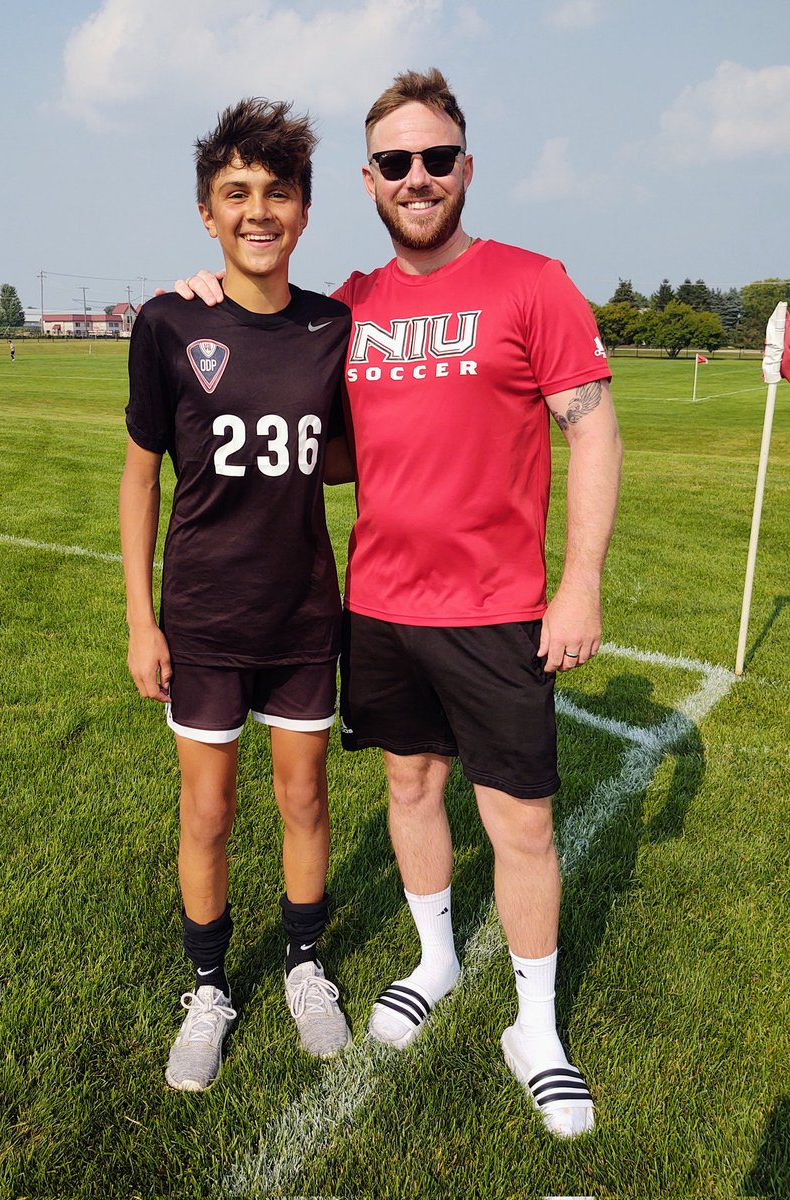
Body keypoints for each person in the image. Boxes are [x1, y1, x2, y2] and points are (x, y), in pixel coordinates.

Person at [174, 68, 622, 1138]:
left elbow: (591, 427)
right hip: (376, 606)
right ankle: (432, 961)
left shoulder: (532, 283)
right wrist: (202, 301)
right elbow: (294, 405)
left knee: (520, 822)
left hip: (498, 606)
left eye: (436, 158)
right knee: (411, 791)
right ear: (370, 181)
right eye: (395, 162)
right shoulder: (353, 307)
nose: (417, 178)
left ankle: (536, 1028)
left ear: (464, 167)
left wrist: (582, 582)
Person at [119, 97, 354, 1094]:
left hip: (303, 615)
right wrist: (140, 616)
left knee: (304, 795)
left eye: (278, 192)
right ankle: (209, 988)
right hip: (204, 621)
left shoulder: (335, 325)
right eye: (237, 194)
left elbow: (342, 460)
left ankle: (305, 965)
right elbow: (140, 476)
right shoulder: (170, 322)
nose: (259, 210)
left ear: (303, 210)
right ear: (209, 214)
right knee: (207, 810)